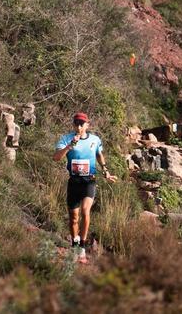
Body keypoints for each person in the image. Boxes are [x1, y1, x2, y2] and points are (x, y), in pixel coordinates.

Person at [53, 112, 117, 262]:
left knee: (85, 210)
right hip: (74, 182)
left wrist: (106, 170)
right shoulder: (66, 139)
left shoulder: (95, 140)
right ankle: (75, 244)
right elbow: (56, 158)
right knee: (74, 218)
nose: (79, 126)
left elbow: (99, 155)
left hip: (89, 181)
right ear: (73, 125)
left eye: (82, 124)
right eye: (77, 123)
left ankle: (81, 244)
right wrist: (70, 146)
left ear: (87, 125)